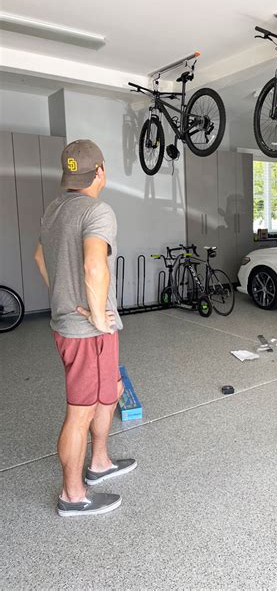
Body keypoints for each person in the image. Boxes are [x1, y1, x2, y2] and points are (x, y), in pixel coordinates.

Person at [34, 139, 136, 517]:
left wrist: (62, 294)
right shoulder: (98, 210)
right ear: (100, 172)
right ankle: (72, 495)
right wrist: (94, 316)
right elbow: (96, 266)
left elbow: (40, 255)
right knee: (81, 410)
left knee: (109, 392)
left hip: (77, 324)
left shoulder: (54, 209)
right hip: (87, 330)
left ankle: (100, 463)